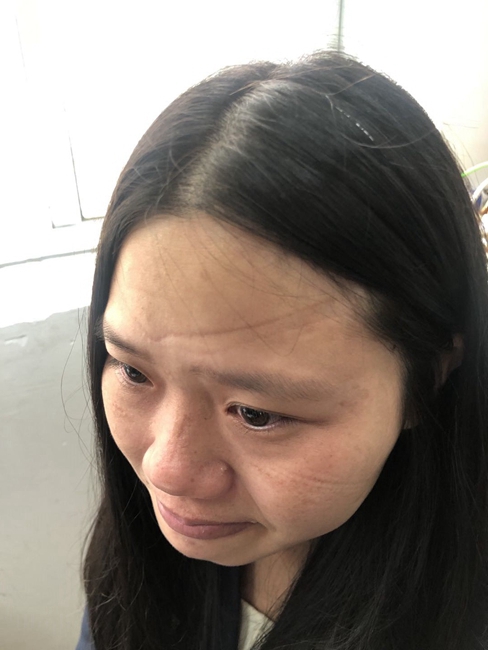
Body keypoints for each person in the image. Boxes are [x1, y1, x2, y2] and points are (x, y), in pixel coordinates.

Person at [75, 51, 488, 650]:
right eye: (134, 372)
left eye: (257, 413)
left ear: (425, 383)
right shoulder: (148, 547)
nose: (165, 470)